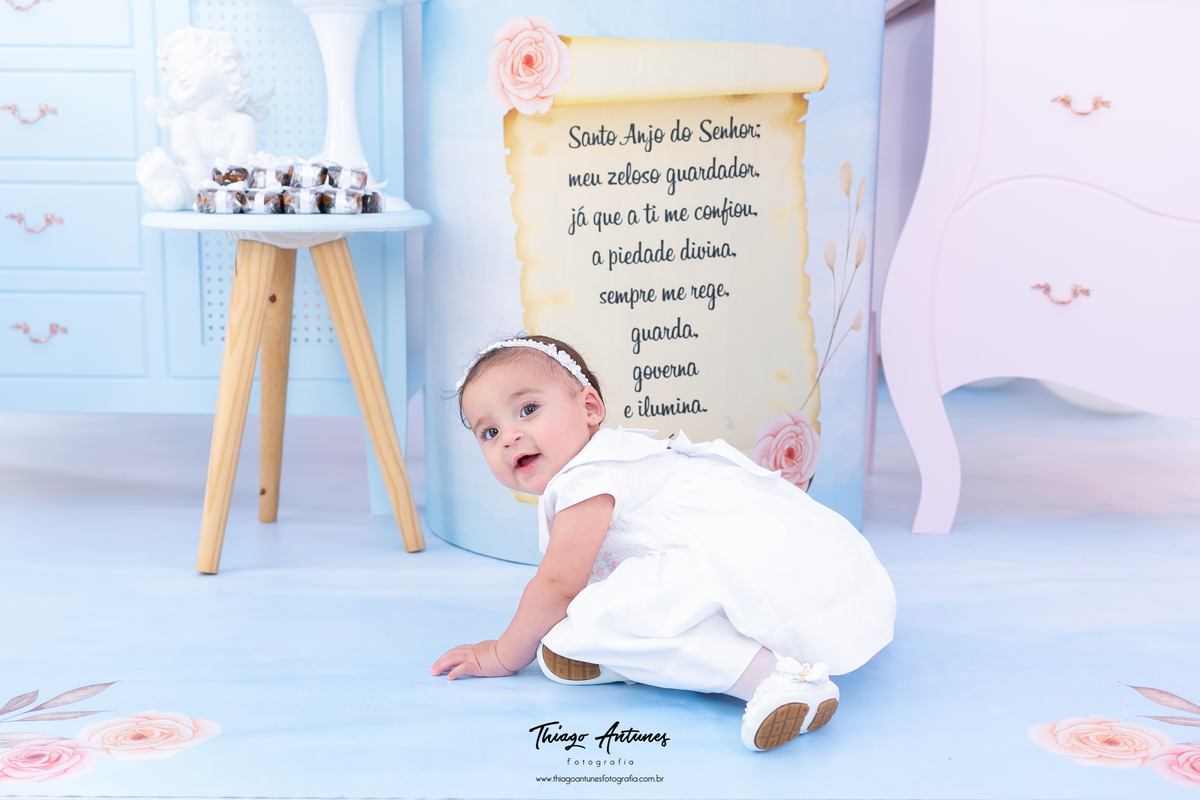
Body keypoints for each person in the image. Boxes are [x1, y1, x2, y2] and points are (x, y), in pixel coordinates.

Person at [430, 335, 896, 752]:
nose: (509, 436)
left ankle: (779, 678)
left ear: (589, 408)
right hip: (791, 558)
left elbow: (557, 587)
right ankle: (610, 658)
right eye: (488, 432)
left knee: (589, 615)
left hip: (737, 560)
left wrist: (502, 653)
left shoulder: (587, 477)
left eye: (528, 409)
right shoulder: (614, 455)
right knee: (570, 629)